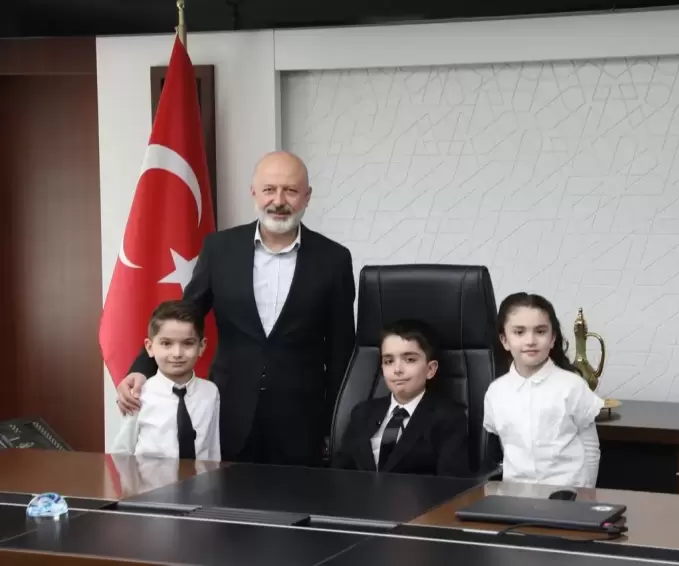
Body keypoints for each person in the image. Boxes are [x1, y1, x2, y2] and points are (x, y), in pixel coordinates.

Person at [115, 151, 356, 466]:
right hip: (228, 413)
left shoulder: (334, 259)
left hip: (302, 422)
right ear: (253, 192)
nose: (278, 200)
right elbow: (184, 314)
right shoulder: (220, 249)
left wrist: (335, 425)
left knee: (297, 497)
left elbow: (341, 351)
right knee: (224, 495)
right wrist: (141, 368)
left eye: (290, 190)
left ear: (307, 197)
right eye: (269, 189)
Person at [483, 292, 604, 487]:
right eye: (519, 332)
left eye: (540, 331)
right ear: (504, 340)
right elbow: (505, 446)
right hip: (515, 495)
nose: (530, 340)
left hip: (568, 493)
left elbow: (590, 447)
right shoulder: (495, 392)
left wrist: (587, 494)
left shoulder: (572, 385)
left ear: (552, 338)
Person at [335, 319, 471, 477]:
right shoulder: (362, 413)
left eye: (410, 359)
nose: (397, 369)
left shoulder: (449, 419)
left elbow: (451, 482)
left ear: (430, 369)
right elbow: (340, 471)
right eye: (389, 361)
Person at [111, 300, 220, 461]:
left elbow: (213, 449)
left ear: (201, 346)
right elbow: (122, 453)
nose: (177, 353)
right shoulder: (139, 395)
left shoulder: (210, 392)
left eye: (188, 343)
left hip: (201, 477)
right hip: (149, 477)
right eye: (166, 343)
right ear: (150, 347)